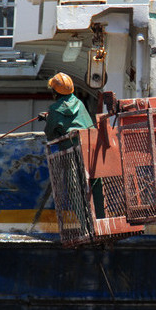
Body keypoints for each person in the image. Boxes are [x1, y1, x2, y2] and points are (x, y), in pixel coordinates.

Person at [40, 72, 105, 220]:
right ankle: (101, 219)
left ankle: (84, 225)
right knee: (95, 183)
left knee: (74, 188)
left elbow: (50, 134)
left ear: (55, 91)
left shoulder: (55, 109)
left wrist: (48, 118)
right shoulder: (80, 103)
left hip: (71, 152)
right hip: (90, 149)